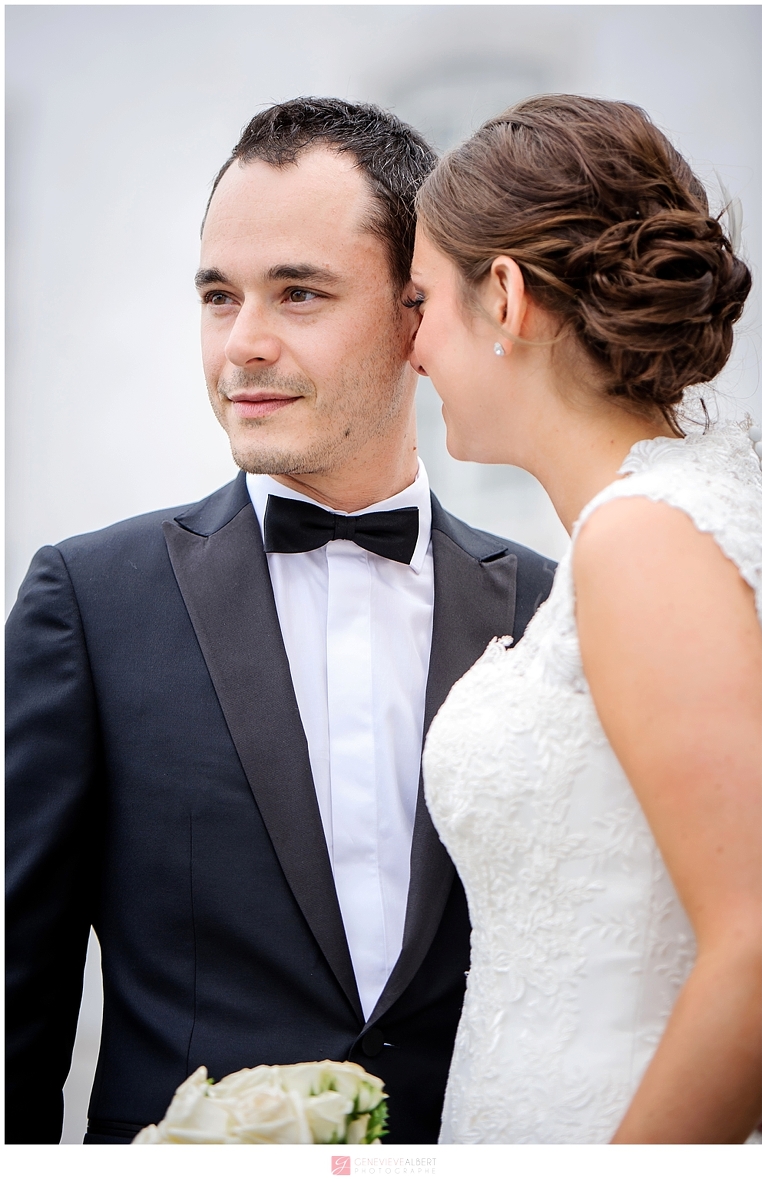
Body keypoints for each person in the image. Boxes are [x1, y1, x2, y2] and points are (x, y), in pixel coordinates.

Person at [5, 98, 555, 1145]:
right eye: (220, 296)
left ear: (417, 318)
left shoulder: (549, 609)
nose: (242, 346)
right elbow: (12, 1011)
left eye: (298, 293)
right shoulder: (87, 601)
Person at [410, 95, 762, 1143]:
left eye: (423, 297)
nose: (411, 341)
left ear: (505, 296)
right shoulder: (668, 515)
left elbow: (754, 937)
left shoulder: (644, 537)